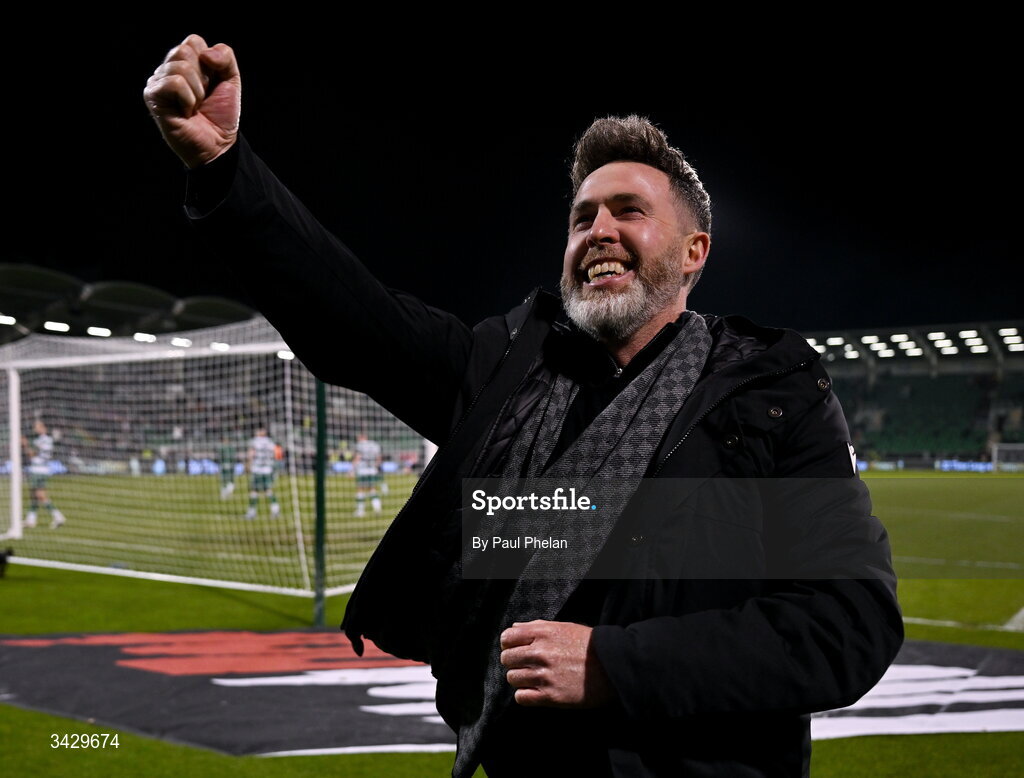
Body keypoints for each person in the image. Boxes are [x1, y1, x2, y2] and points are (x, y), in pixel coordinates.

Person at [145, 35, 903, 777]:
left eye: (628, 211)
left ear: (694, 252)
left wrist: (612, 665)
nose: (598, 231)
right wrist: (223, 171)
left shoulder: (771, 390)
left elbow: (847, 625)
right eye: (582, 217)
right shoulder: (506, 369)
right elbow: (356, 321)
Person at [22, 420, 66, 529]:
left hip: (38, 470)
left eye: (37, 427)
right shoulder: (48, 440)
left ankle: (58, 516)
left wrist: (25, 444)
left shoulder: (40, 441)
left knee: (40, 496)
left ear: (43, 428)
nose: (35, 429)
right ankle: (31, 520)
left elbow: (32, 454)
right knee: (36, 496)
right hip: (44, 470)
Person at [245, 425, 280, 519]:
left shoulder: (255, 441)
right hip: (268, 469)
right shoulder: (270, 442)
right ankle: (275, 510)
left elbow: (250, 454)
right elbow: (277, 454)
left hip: (257, 469)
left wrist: (248, 465)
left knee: (254, 490)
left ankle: (252, 512)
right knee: (268, 490)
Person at [352, 432, 383, 518]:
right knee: (372, 489)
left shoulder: (359, 445)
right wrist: (376, 467)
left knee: (360, 490)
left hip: (362, 470)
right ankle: (377, 508)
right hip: (372, 470)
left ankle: (360, 511)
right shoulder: (374, 444)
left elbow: (357, 457)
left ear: (362, 437)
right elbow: (379, 458)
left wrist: (351, 469)